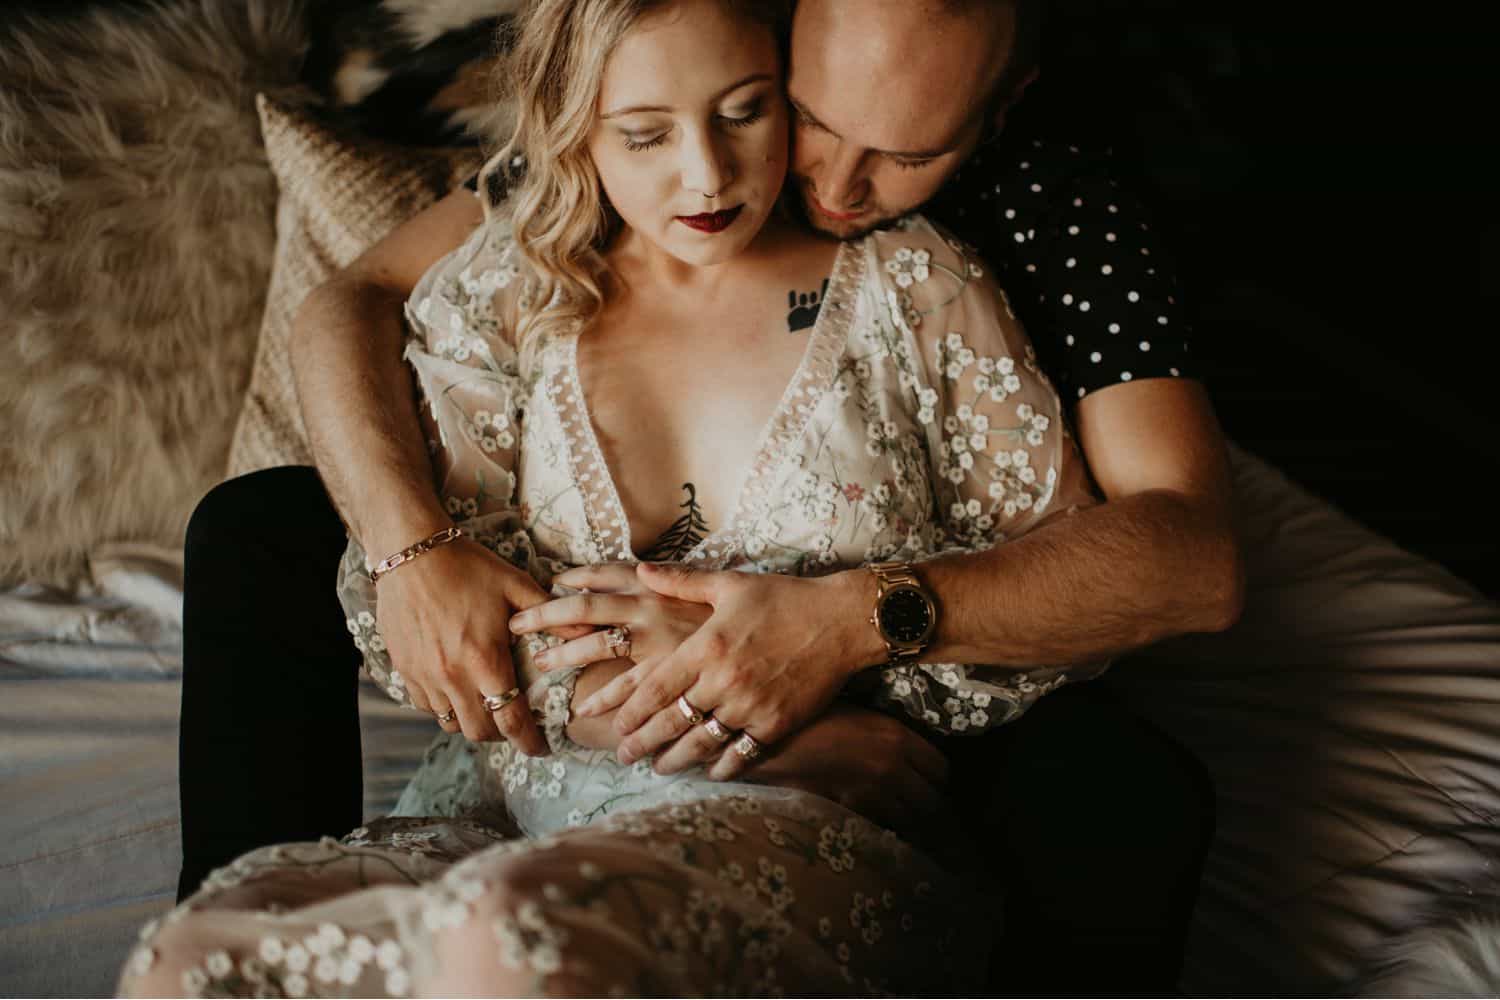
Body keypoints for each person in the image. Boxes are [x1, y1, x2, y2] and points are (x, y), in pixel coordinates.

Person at [173, 0, 1239, 990]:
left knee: (1121, 792)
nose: (829, 180)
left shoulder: (1038, 224)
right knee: (217, 934)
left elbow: (1187, 559)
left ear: (1002, 105)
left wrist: (836, 633)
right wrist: (415, 547)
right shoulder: (583, 190)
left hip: (914, 683)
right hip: (556, 747)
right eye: (810, 115)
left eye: (907, 151)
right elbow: (354, 300)